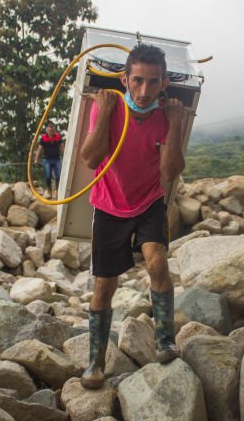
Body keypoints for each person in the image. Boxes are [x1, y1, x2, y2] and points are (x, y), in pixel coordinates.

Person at [78, 43, 189, 389]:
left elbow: (170, 172)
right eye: (137, 81)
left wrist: (173, 126)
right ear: (125, 79)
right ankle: (95, 362)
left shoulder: (167, 116)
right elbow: (90, 159)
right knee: (104, 288)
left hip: (149, 201)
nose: (144, 91)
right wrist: (107, 113)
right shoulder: (109, 107)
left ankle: (165, 341)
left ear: (163, 84)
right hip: (109, 205)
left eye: (153, 83)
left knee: (157, 263)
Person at [34, 121, 65, 199]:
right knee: (48, 176)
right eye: (50, 130)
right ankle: (49, 191)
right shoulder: (43, 138)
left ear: (54, 130)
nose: (51, 132)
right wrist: (36, 159)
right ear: (47, 130)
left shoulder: (58, 137)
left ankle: (57, 191)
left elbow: (62, 147)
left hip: (57, 159)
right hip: (47, 160)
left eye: (52, 130)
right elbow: (39, 149)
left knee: (58, 175)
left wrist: (65, 156)